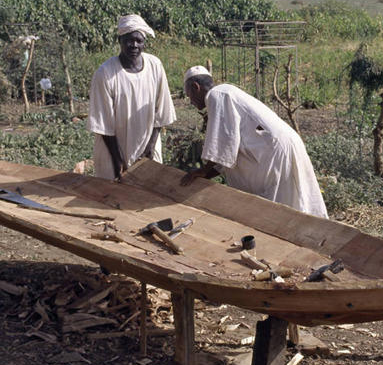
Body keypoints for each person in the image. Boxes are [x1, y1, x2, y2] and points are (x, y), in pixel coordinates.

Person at [180, 65, 328, 218]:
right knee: (295, 203)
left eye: (189, 95)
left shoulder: (217, 95)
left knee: (280, 212)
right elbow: (226, 154)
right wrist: (204, 174)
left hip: (275, 153)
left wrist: (202, 171)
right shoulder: (226, 92)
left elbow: (222, 147)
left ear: (195, 87)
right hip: (282, 146)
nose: (190, 101)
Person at [80, 14, 176, 180]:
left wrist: (150, 148)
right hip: (114, 151)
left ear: (144, 42)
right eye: (129, 40)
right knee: (113, 197)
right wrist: (118, 161)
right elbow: (104, 124)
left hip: (148, 148)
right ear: (120, 41)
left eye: (139, 40)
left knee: (148, 194)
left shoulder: (155, 66)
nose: (134, 45)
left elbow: (162, 112)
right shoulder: (106, 73)